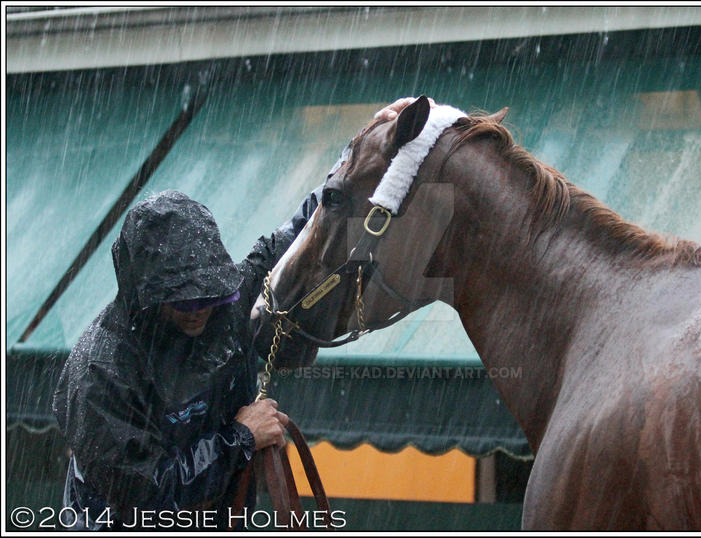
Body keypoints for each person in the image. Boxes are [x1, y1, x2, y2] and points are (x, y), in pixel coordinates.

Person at [51, 98, 422, 531]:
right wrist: (240, 439)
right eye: (184, 301)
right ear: (145, 297)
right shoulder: (99, 371)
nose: (200, 311)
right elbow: (145, 497)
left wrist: (365, 146)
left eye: (209, 296)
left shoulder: (231, 300)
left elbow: (304, 230)